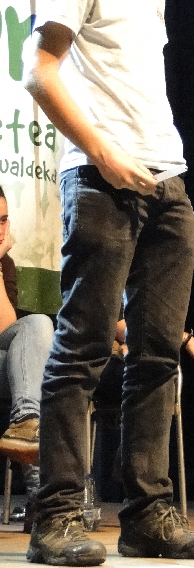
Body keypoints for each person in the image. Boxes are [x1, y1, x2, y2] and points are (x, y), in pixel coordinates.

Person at [22, 0, 194, 566]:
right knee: (83, 348)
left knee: (159, 354)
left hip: (168, 181)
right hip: (104, 180)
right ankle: (57, 517)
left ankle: (147, 516)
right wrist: (102, 153)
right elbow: (38, 71)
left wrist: (157, 163)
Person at [0, 185, 55, 529]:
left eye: (4, 220)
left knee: (38, 325)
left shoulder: (5, 264)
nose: (0, 229)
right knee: (33, 368)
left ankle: (25, 421)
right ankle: (41, 498)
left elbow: (6, 328)